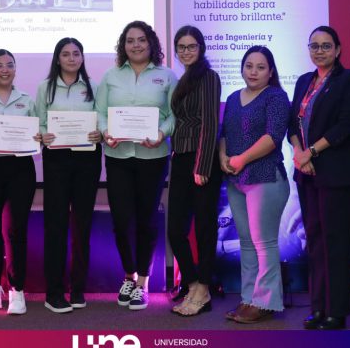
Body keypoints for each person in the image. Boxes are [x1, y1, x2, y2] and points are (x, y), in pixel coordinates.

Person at [287, 26, 350, 330]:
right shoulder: (304, 81)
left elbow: (346, 124)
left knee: (336, 243)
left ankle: (337, 311)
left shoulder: (349, 80)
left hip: (338, 173)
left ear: (338, 49)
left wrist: (311, 152)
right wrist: (299, 153)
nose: (319, 51)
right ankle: (319, 307)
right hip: (306, 173)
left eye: (326, 45)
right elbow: (292, 123)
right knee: (315, 242)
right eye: (314, 46)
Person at [96, 20, 177, 310]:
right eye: (130, 40)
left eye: (141, 39)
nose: (136, 45)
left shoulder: (167, 76)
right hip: (118, 157)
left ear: (151, 42)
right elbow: (100, 113)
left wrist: (162, 133)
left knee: (146, 219)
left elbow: (174, 114)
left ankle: (143, 281)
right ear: (123, 45)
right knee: (121, 221)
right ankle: (128, 275)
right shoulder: (111, 76)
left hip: (152, 158)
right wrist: (105, 131)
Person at [219, 45, 290, 324]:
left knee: (264, 243)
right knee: (246, 243)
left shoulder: (276, 97)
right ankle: (248, 298)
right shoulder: (233, 98)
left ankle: (266, 301)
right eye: (249, 66)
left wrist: (241, 159)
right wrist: (223, 157)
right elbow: (224, 134)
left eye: (261, 67)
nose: (253, 72)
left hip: (266, 177)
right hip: (236, 179)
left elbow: (272, 137)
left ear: (270, 72)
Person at [35, 38, 102, 313]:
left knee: (82, 226)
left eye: (76, 54)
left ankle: (77, 289)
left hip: (87, 159)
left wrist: (99, 133)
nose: (72, 58)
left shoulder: (94, 87)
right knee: (56, 225)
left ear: (82, 57)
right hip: (57, 159)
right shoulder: (45, 87)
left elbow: (102, 119)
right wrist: (43, 134)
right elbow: (40, 122)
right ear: (57, 58)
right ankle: (54, 292)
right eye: (66, 54)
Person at [0, 49, 38, 315]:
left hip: (20, 168)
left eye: (9, 65)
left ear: (15, 68)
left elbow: (38, 130)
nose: (4, 70)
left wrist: (37, 137)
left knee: (15, 230)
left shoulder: (26, 99)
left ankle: (16, 289)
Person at [167, 25, 222, 317]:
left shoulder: (208, 77)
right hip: (180, 159)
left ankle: (203, 288)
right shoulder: (183, 79)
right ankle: (193, 285)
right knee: (175, 230)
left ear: (201, 48)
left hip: (202, 161)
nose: (186, 51)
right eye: (181, 47)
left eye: (191, 46)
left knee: (204, 228)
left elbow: (210, 123)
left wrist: (201, 166)